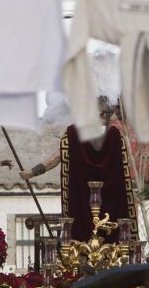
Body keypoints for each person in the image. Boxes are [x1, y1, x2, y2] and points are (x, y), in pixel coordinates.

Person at [19, 98, 137, 243]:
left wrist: (32, 171)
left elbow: (56, 158)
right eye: (107, 114)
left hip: (81, 207)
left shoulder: (75, 133)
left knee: (81, 248)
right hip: (110, 207)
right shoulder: (116, 136)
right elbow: (127, 166)